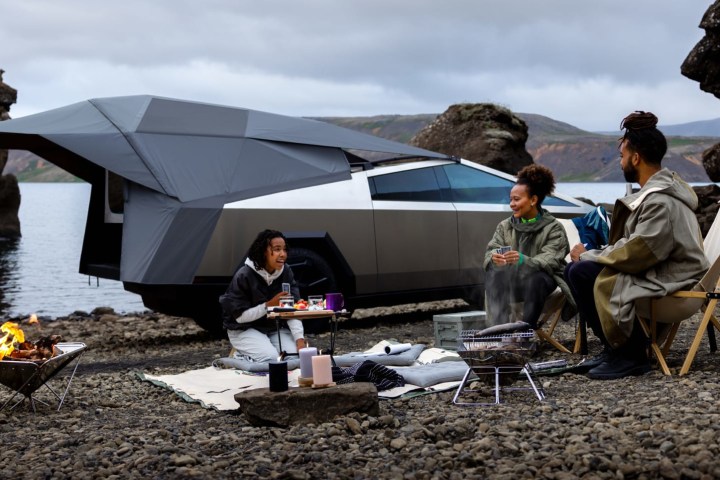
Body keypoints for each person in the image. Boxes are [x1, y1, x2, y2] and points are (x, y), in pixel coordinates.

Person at [564, 111, 709, 380]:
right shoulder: (660, 193)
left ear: (635, 157)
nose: (620, 163)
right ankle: (614, 350)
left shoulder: (660, 201)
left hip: (674, 279)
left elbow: (641, 250)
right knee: (578, 269)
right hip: (663, 269)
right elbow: (638, 246)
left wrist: (589, 255)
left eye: (621, 156)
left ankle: (630, 356)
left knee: (581, 271)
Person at [483, 164, 573, 328]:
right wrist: (494, 258)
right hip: (514, 281)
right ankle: (498, 330)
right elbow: (491, 250)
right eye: (511, 199)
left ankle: (524, 332)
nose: (512, 204)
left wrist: (523, 260)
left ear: (533, 200)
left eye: (517, 199)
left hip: (543, 283)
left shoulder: (553, 228)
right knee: (494, 274)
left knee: (536, 279)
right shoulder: (505, 226)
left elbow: (550, 261)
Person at [219, 229, 307, 362]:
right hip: (244, 329)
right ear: (264, 252)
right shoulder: (244, 275)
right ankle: (240, 354)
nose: (283, 254)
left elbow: (292, 309)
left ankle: (267, 348)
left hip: (273, 327)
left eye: (284, 249)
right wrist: (269, 305)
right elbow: (240, 318)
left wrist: (299, 339)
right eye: (277, 249)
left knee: (295, 357)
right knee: (269, 358)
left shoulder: (286, 272)